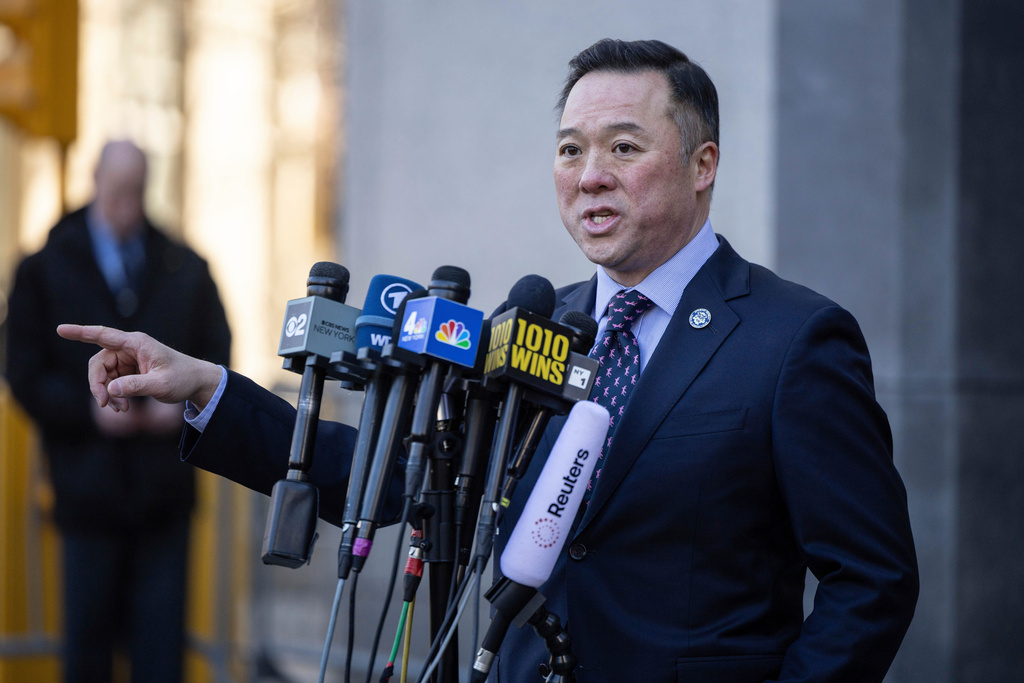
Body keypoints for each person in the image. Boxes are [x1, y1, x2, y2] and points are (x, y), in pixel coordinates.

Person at [57, 39, 918, 682]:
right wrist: (207, 388)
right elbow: (398, 477)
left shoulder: (791, 340)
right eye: (570, 148)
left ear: (703, 166)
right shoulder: (529, 326)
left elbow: (871, 581)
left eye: (624, 147)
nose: (589, 176)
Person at [6, 139, 232, 683]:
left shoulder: (186, 268)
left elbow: (216, 357)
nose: (126, 206)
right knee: (87, 650)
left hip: (163, 497)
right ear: (95, 182)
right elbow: (23, 370)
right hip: (86, 493)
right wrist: (90, 414)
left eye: (135, 192)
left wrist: (179, 412)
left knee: (161, 655)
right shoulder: (45, 267)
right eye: (116, 192)